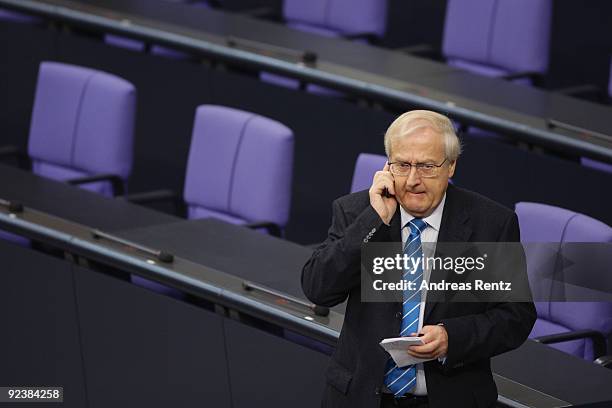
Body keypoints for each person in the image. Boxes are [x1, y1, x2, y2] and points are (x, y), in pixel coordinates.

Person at [301, 110, 536, 408]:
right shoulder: (356, 211)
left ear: (451, 166)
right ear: (387, 166)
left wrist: (454, 337)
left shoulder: (489, 224)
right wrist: (372, 220)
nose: (413, 180)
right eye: (402, 165)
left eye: (426, 166)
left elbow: (516, 317)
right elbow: (318, 289)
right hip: (362, 397)